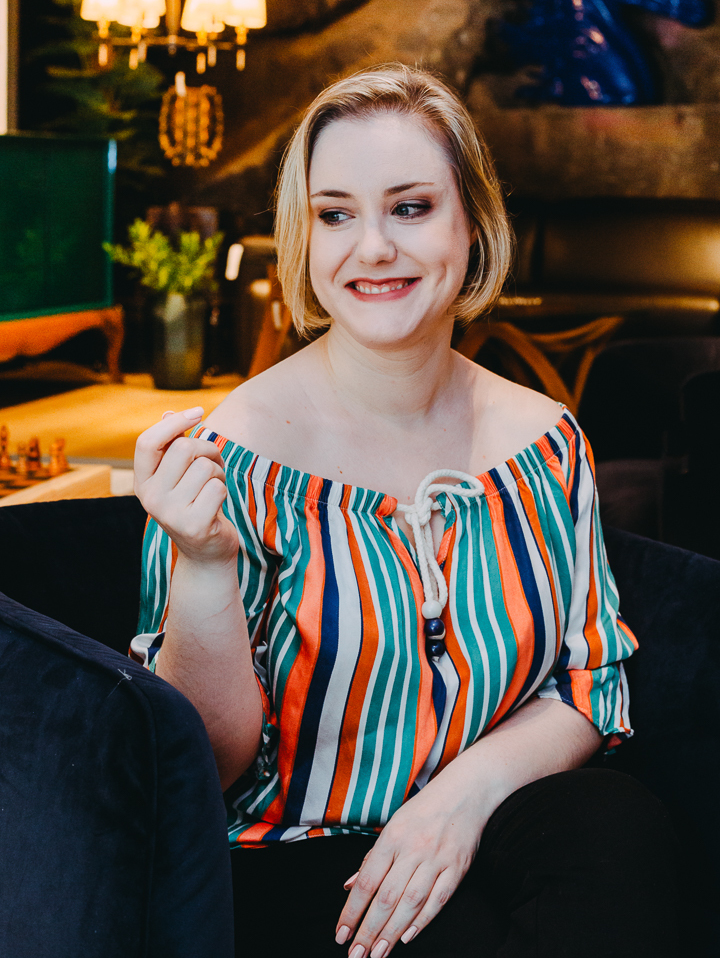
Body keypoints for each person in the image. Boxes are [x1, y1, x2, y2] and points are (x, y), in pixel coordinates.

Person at [131, 65, 679, 958]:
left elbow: (589, 687)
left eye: (411, 208)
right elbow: (206, 767)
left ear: (473, 224)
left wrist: (456, 801)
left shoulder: (546, 443)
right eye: (335, 215)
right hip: (297, 856)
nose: (374, 247)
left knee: (620, 825)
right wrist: (203, 565)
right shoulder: (231, 455)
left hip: (497, 817)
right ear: (304, 239)